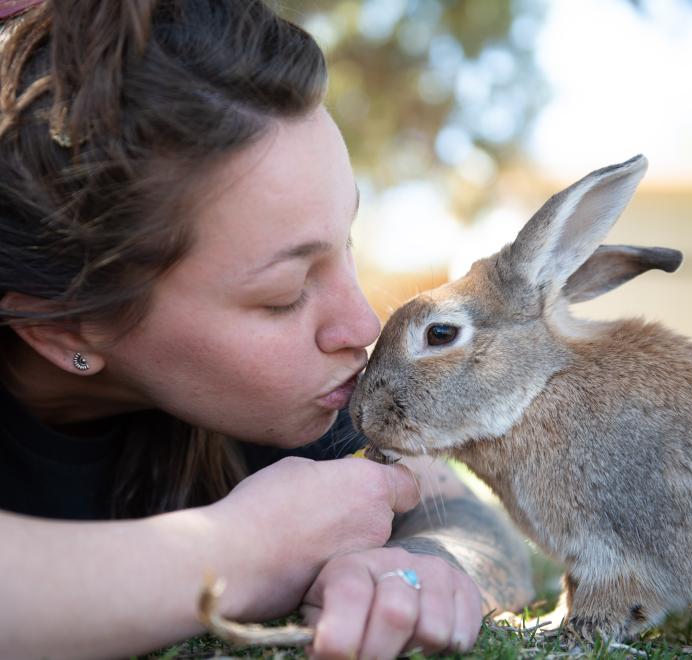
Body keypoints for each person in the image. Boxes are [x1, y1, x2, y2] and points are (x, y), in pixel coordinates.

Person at [0, 1, 536, 658]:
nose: (361, 324)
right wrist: (241, 553)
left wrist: (426, 566)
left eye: (345, 245)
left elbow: (462, 517)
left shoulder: (288, 400)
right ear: (65, 329)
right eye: (284, 296)